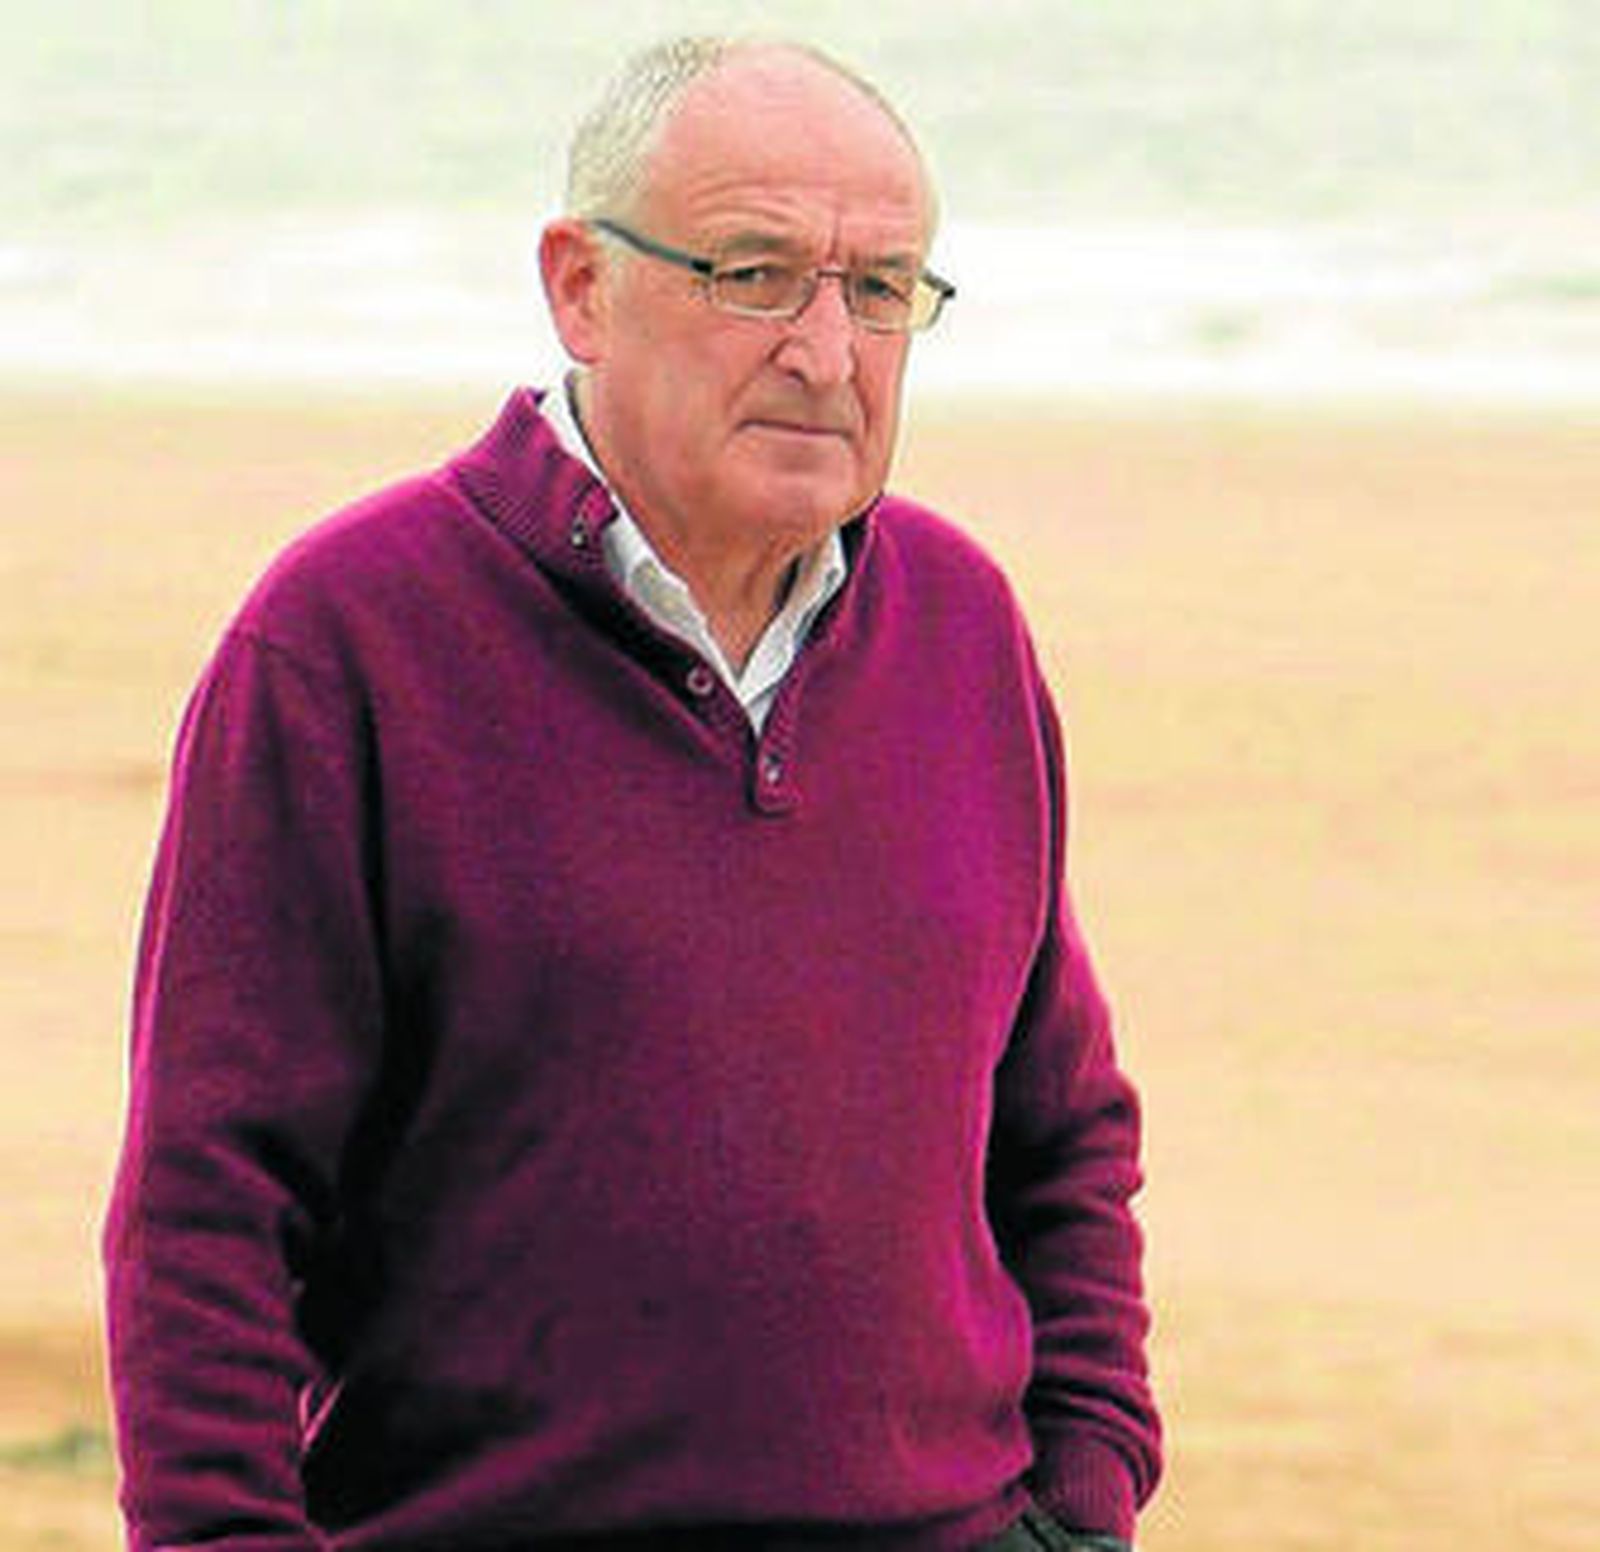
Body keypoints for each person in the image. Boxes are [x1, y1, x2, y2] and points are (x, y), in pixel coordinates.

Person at [103, 35, 1161, 1552]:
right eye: (753, 273)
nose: (826, 349)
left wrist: (1086, 1488)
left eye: (879, 290)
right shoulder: (345, 640)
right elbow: (208, 1205)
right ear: (580, 288)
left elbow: (1059, 1127)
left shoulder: (964, 626)